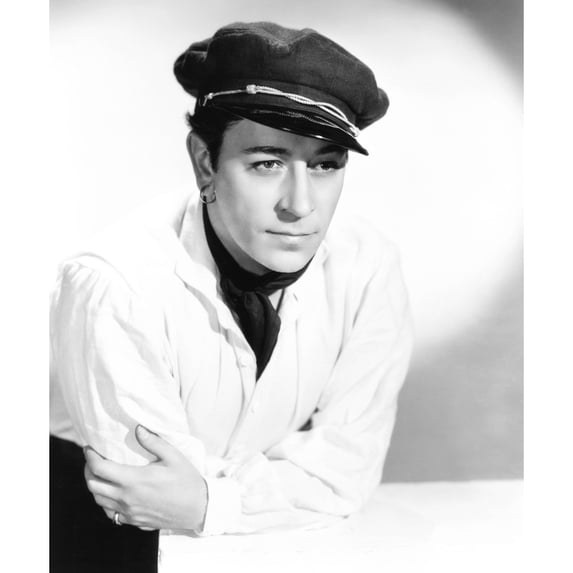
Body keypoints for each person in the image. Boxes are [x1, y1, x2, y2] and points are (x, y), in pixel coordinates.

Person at [50, 21, 414, 573]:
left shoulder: (368, 266)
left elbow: (347, 472)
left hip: (269, 551)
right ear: (205, 163)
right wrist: (284, 487)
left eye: (325, 164)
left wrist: (209, 501)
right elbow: (144, 495)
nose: (300, 205)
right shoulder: (114, 283)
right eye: (267, 162)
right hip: (96, 541)